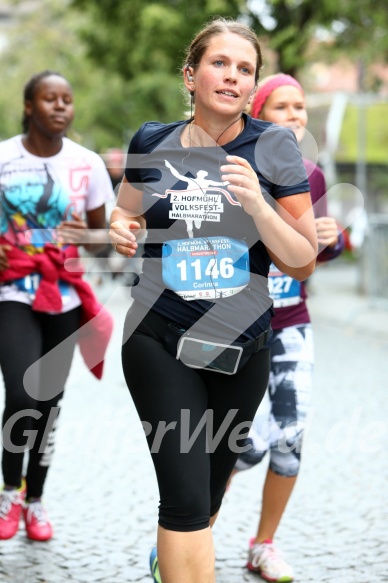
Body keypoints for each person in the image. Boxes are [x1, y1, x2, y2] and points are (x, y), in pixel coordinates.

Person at [109, 19, 317, 583]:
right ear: (191, 75)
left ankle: (173, 557)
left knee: (204, 496)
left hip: (240, 350)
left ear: (253, 87)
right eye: (219, 63)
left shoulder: (273, 147)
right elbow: (125, 210)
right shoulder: (152, 142)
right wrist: (121, 226)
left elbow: (301, 260)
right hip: (157, 337)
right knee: (181, 500)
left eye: (244, 69)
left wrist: (257, 203)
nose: (231, 75)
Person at [230, 73, 345, 582]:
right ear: (258, 114)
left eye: (301, 107)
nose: (296, 116)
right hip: (237, 326)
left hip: (292, 323)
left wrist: (332, 238)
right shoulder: (233, 171)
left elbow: (319, 247)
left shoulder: (312, 176)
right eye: (282, 107)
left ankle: (264, 545)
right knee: (238, 444)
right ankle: (188, 534)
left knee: (290, 438)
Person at [0, 70, 114, 541]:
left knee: (48, 403)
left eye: (67, 99)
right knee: (23, 395)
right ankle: (9, 493)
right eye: (50, 99)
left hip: (64, 294)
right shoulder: (3, 157)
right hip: (13, 292)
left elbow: (104, 240)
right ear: (30, 107)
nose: (61, 107)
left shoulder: (87, 164)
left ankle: (36, 502)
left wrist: (83, 236)